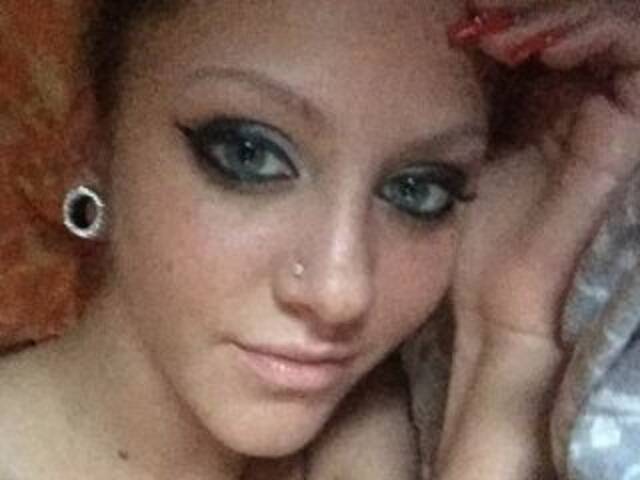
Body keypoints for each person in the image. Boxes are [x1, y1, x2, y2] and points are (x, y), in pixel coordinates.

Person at [0, 1, 637, 480]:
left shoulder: (382, 430)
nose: (341, 293)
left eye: (418, 190)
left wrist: (511, 340)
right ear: (93, 141)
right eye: (249, 155)